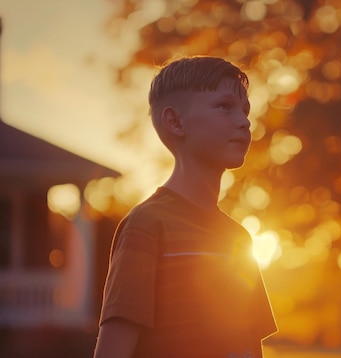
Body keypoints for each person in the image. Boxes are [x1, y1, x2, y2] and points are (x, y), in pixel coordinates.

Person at [93, 56, 277, 358]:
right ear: (175, 122)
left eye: (245, 111)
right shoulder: (146, 225)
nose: (244, 121)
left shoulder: (240, 240)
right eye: (224, 106)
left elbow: (248, 349)